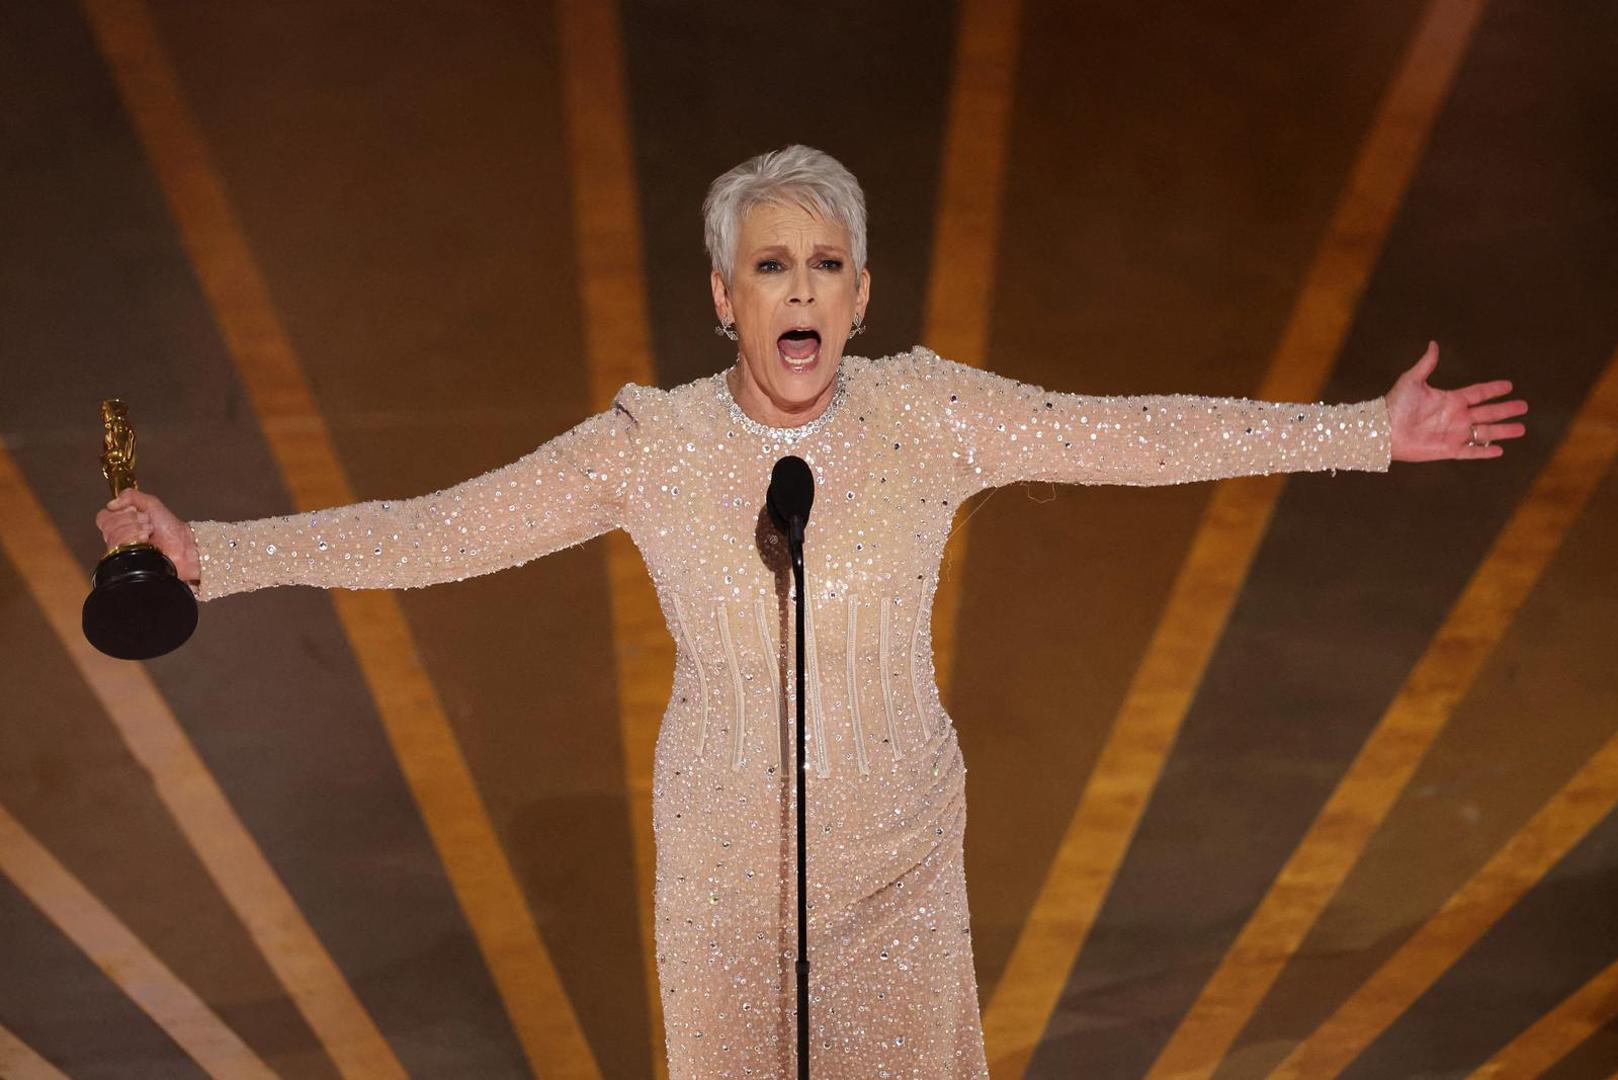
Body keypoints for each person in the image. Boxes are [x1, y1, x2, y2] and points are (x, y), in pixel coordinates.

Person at [97, 144, 1527, 1078]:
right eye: (770, 264)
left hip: (900, 861)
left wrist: (1362, 432)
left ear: (858, 294)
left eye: (825, 263)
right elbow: (440, 532)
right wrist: (210, 552)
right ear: (725, 297)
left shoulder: (931, 414)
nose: (800, 287)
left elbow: (1138, 432)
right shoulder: (650, 445)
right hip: (723, 877)